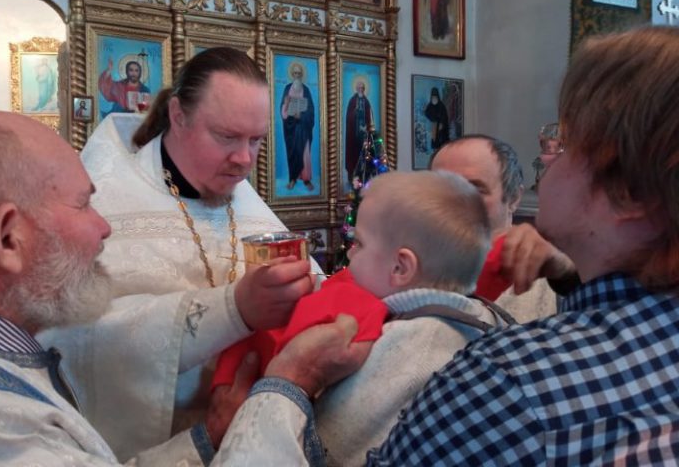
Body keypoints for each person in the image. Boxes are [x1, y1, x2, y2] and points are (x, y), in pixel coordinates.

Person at [220, 25, 679, 464]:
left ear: (627, 194)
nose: (548, 160)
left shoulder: (508, 384)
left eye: (567, 145)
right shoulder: (599, 307)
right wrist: (570, 277)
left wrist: (290, 380)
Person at [0, 110, 326, 464]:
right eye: (84, 204)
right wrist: (285, 388)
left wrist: (209, 437)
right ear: (7, 239)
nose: (105, 226)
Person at [41, 47, 320, 459]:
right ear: (178, 115)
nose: (244, 159)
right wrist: (233, 310)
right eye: (226, 137)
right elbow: (76, 341)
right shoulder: (103, 202)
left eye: (256, 140)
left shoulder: (247, 202)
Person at [212, 170, 513, 465]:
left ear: (400, 268)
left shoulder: (399, 349)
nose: (351, 254)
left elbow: (324, 448)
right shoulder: (487, 318)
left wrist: (288, 383)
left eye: (359, 244)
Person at [430, 134, 572, 321]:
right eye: (442, 189)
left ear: (514, 197)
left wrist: (567, 274)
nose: (454, 201)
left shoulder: (557, 276)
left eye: (474, 189)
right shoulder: (407, 271)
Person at [280, 60, 316, 191]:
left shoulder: (306, 90)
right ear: (292, 74)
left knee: (305, 154)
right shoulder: (287, 89)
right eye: (294, 73)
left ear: (301, 75)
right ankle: (293, 179)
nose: (297, 75)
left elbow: (311, 111)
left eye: (299, 73)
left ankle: (306, 179)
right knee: (293, 153)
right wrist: (286, 106)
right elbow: (282, 109)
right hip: (291, 129)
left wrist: (301, 116)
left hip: (303, 129)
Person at [344, 76, 373, 184]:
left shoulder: (366, 102)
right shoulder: (352, 101)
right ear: (356, 89)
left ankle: (362, 177)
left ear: (364, 89)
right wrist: (354, 112)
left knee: (363, 155)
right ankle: (352, 177)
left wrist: (367, 127)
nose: (361, 89)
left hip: (363, 135)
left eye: (362, 88)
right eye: (359, 87)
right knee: (353, 155)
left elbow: (369, 118)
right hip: (354, 134)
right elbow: (349, 117)